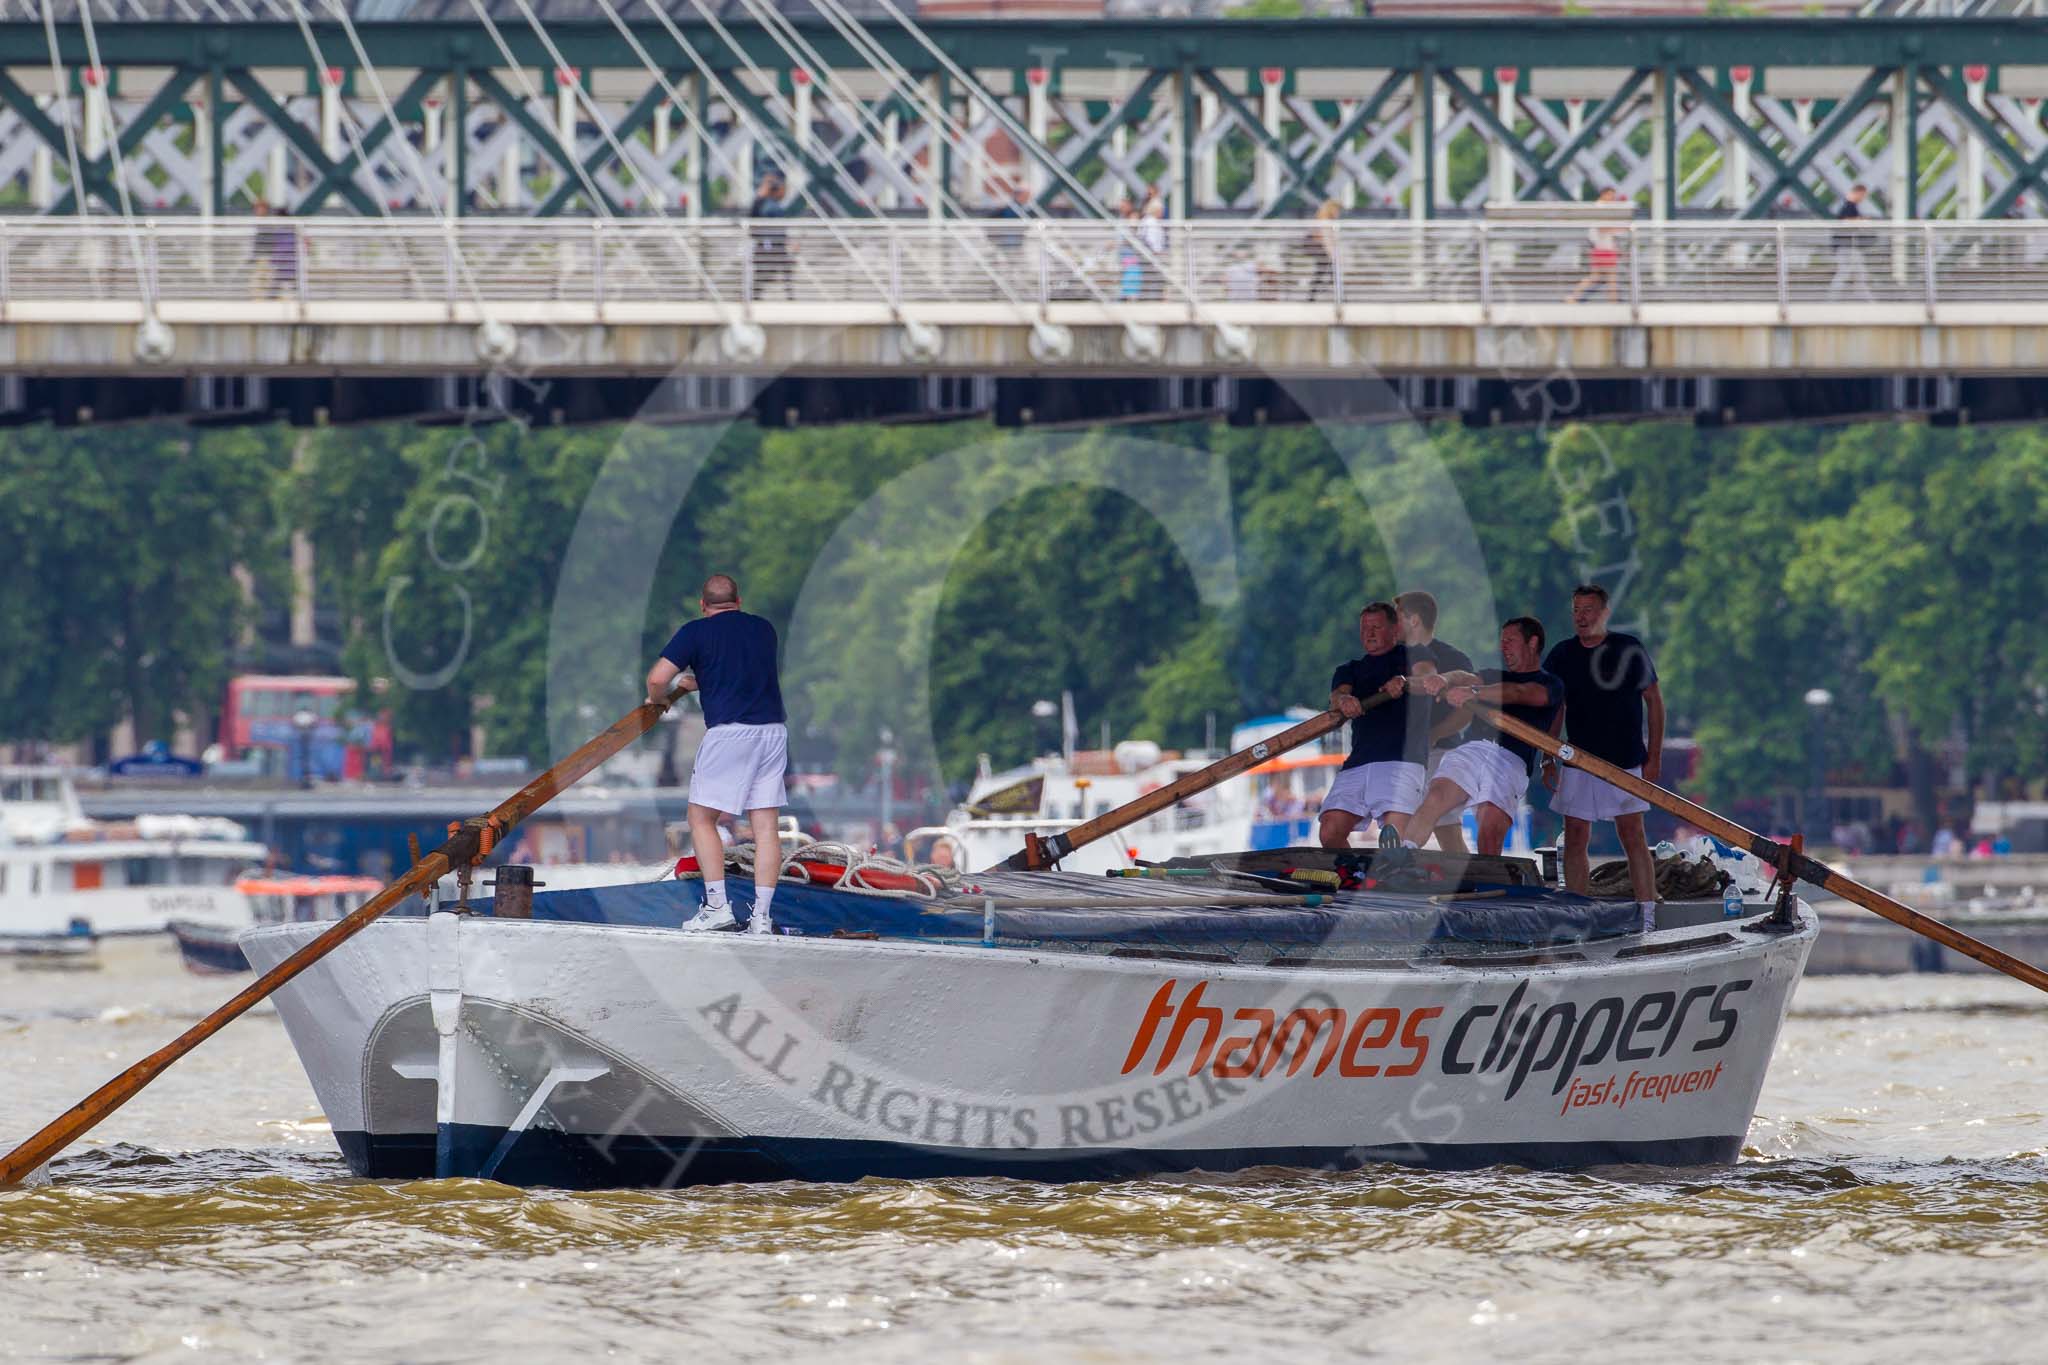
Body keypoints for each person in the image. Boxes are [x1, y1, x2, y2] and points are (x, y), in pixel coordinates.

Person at [646, 574, 789, 935]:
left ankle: (716, 907)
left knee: (701, 818)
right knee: (766, 827)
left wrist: (661, 698)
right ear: (738, 601)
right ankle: (761, 919)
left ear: (702, 604)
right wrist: (702, 680)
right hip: (772, 732)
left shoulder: (695, 632)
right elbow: (737, 670)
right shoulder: (764, 629)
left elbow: (657, 678)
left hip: (730, 733)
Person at [1542, 583, 1665, 928]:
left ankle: (1647, 915)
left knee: (1632, 833)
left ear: (1604, 613)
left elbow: (1654, 701)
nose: (1581, 617)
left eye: (1589, 610)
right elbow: (1554, 709)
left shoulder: (1629, 649)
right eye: (1576, 610)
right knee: (1575, 834)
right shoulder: (1562, 655)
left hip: (1626, 758)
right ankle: (1578, 913)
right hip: (1578, 758)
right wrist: (1548, 756)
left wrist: (1653, 756)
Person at [1402, 617, 1563, 856]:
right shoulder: (1491, 674)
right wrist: (1444, 679)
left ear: (1533, 642)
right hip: (1472, 749)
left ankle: (1488, 880)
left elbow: (1521, 693)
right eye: (1502, 641)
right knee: (1435, 797)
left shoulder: (1550, 684)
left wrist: (1474, 693)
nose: (1503, 647)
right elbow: (1463, 676)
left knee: (1489, 827)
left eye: (1510, 641)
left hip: (1511, 759)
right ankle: (1402, 855)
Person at [1318, 602, 1418, 850]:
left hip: (1401, 760)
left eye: (1376, 627)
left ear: (1395, 631)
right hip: (1359, 762)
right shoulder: (1348, 670)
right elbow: (1337, 696)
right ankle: (1351, 876)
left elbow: (1433, 680)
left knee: (1394, 837)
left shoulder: (1413, 658)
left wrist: (1405, 682)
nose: (1369, 633)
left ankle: (1398, 872)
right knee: (1329, 832)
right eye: (1364, 628)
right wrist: (1344, 701)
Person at [1394, 589, 1476, 855]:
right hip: (1403, 755)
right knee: (1433, 828)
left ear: (1413, 620)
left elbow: (1467, 711)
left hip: (1441, 752)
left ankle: (1471, 882)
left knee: (1444, 829)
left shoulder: (1455, 660)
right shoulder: (1392, 657)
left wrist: (1435, 734)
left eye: (1397, 618)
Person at [1565, 186, 1627, 304]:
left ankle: (1573, 297)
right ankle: (1613, 303)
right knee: (1610, 277)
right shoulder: (1601, 208)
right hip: (1604, 249)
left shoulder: (1599, 207)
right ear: (1604, 194)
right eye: (1611, 196)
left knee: (1597, 277)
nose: (1612, 199)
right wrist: (1620, 229)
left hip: (1600, 248)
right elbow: (1603, 229)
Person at [749, 175, 793, 300]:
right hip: (768, 246)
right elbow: (753, 221)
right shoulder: (767, 205)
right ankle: (788, 297)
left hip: (771, 246)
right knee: (766, 273)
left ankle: (756, 297)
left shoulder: (767, 204)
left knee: (771, 273)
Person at [1830, 183, 1875, 300]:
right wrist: (1862, 221)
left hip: (1848, 246)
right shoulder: (1849, 206)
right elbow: (1844, 222)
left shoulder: (1847, 205)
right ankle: (1831, 300)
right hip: (1846, 246)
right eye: (1863, 195)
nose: (1863, 198)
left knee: (1859, 274)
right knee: (1849, 273)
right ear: (1859, 193)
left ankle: (1868, 301)